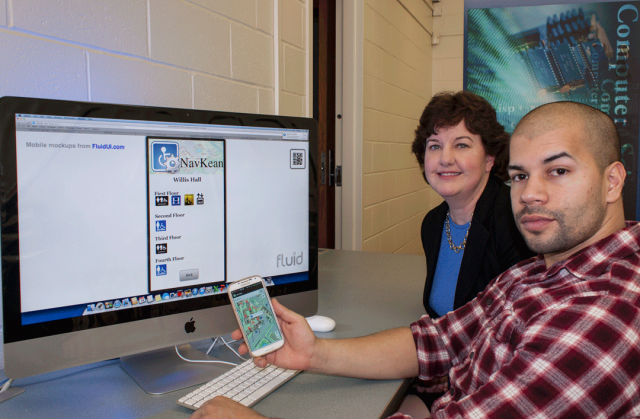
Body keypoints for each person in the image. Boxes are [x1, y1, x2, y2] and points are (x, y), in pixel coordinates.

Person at [191, 101, 640, 419]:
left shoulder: (601, 313)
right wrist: (314, 354)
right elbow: (440, 341)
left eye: (558, 171)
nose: (532, 193)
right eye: (521, 175)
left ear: (612, 180)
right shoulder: (540, 269)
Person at [411, 91, 532, 405]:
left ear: (490, 158)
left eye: (461, 145)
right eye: (434, 146)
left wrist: (450, 371)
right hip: (451, 373)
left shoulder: (514, 221)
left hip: (496, 390)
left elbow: (518, 335)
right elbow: (446, 317)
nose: (445, 158)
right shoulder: (433, 224)